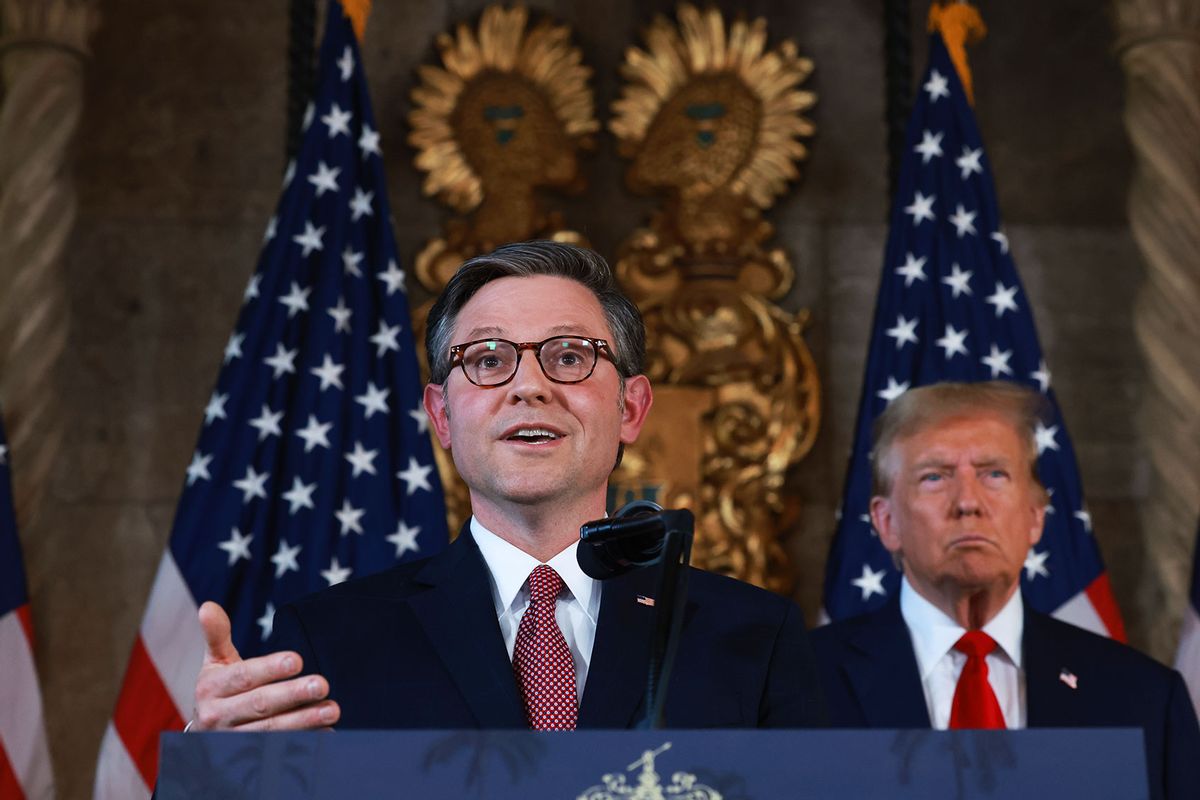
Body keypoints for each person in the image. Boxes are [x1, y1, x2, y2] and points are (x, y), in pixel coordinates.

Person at [191, 240, 826, 732]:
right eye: (489, 360)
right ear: (441, 415)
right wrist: (214, 768)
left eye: (571, 356)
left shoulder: (752, 637)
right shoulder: (331, 640)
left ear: (630, 408)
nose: (529, 386)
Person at [811, 381, 1200, 800]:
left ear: (1035, 517)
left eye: (993, 474)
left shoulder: (1143, 699)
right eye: (934, 477)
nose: (968, 502)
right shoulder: (794, 685)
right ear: (886, 522)